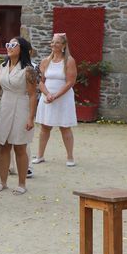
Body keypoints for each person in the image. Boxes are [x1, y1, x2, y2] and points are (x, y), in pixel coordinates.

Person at [0, 37, 37, 195]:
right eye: (8, 44)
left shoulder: (28, 69)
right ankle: (2, 182)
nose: (9, 47)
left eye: (13, 45)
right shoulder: (2, 66)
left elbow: (32, 95)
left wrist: (30, 117)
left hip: (21, 107)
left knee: (20, 146)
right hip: (6, 106)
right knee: (3, 145)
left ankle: (22, 183)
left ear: (21, 48)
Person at [32, 33, 78, 166]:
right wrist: (47, 94)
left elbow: (70, 82)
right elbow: (39, 80)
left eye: (57, 42)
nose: (53, 45)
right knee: (45, 127)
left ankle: (70, 157)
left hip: (63, 98)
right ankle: (40, 155)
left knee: (65, 127)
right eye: (52, 42)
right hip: (47, 97)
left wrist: (56, 95)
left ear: (63, 45)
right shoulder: (46, 61)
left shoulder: (69, 61)